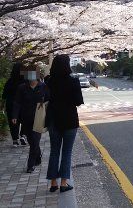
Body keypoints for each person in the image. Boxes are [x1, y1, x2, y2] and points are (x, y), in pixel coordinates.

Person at [46, 55, 84, 193]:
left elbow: (45, 98)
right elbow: (78, 101)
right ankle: (63, 183)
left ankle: (53, 183)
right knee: (67, 152)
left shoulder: (48, 81)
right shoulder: (73, 81)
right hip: (69, 120)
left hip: (53, 120)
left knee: (54, 151)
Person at [12, 65, 49, 173]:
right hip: (26, 118)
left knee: (35, 140)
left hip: (39, 119)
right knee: (32, 141)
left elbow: (49, 101)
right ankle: (38, 157)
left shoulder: (43, 87)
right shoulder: (22, 87)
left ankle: (30, 165)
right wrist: (15, 116)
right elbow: (17, 102)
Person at [2, 63, 27, 147]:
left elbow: (4, 95)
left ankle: (15, 140)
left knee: (13, 121)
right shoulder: (26, 80)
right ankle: (23, 135)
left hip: (11, 104)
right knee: (24, 119)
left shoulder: (10, 81)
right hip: (23, 104)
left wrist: (2, 105)